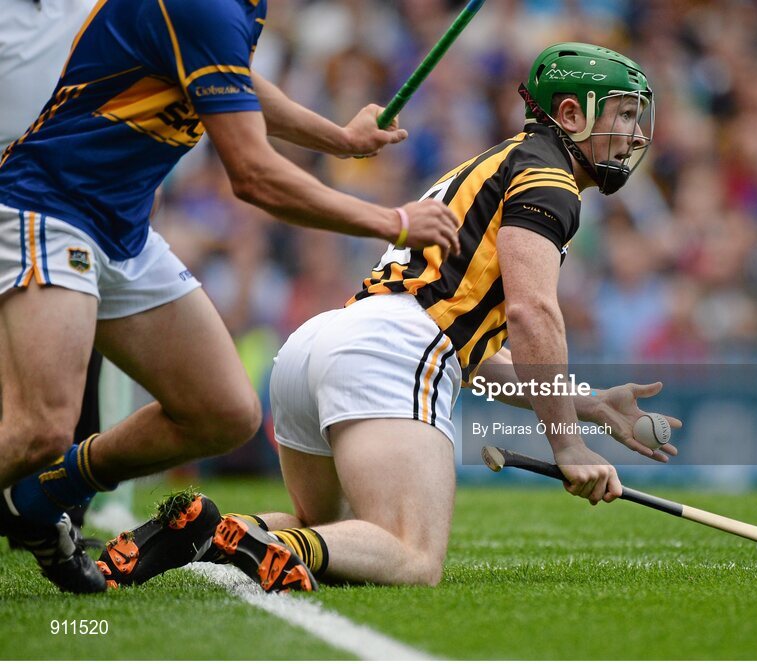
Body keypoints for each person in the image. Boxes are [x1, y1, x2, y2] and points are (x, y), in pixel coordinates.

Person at [96, 42, 680, 592]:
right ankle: (274, 544)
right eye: (625, 115)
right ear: (572, 115)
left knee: (330, 527)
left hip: (321, 346)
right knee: (412, 555)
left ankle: (202, 530)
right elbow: (534, 312)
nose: (635, 134)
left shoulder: (494, 165)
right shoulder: (549, 179)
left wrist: (587, 404)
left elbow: (469, 355)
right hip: (389, 354)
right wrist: (568, 444)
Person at [0, 0, 460, 594]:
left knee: (223, 413)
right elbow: (254, 175)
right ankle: (39, 493)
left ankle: (41, 498)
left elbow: (234, 79)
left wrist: (340, 138)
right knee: (40, 428)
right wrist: (392, 221)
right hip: (48, 208)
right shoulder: (205, 5)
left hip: (122, 231)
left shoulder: (234, 8)